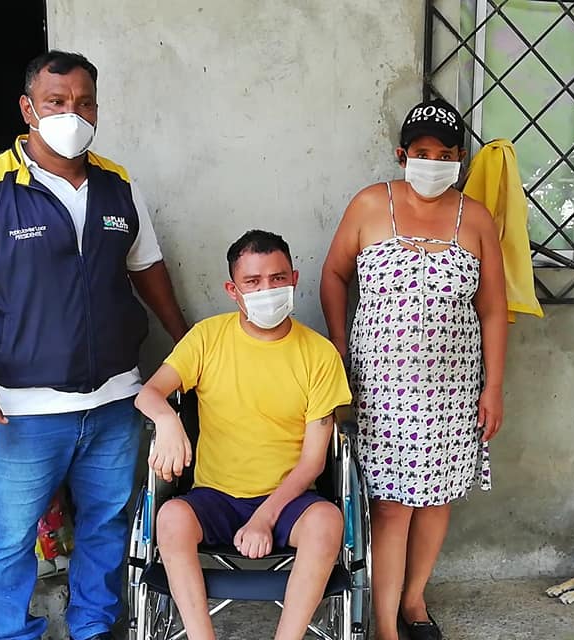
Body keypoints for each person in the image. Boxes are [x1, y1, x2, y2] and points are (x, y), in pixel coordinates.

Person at [0, 50, 188, 640]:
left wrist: (186, 342)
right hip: (20, 409)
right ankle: (15, 633)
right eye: (56, 102)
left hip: (115, 399)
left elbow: (147, 269)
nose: (73, 113)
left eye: (84, 102)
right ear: (28, 109)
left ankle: (92, 627)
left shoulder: (118, 185)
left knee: (107, 524)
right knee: (10, 535)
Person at [320, 98, 508, 640]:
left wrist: (493, 387)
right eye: (423, 153)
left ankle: (414, 599)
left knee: (437, 499)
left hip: (454, 389)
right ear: (402, 155)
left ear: (460, 159)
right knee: (391, 507)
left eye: (446, 155)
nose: (434, 163)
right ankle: (385, 624)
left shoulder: (475, 217)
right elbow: (333, 275)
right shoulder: (369, 205)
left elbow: (493, 308)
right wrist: (340, 350)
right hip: (383, 392)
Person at [136, 230, 351, 640]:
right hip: (215, 495)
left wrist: (263, 518)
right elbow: (149, 393)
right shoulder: (207, 338)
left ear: (294, 279)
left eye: (277, 278)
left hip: (288, 500)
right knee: (170, 518)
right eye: (253, 281)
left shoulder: (320, 355)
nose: (266, 290)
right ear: (233, 290)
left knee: (327, 522)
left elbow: (312, 463)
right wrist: (166, 421)